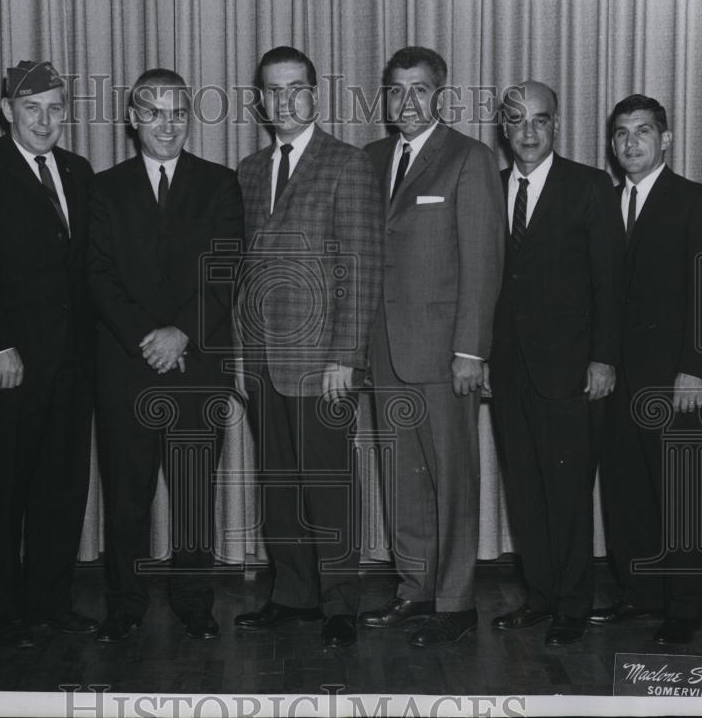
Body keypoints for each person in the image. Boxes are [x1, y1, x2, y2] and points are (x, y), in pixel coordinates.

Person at [0, 61, 97, 647]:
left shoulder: (79, 172)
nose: (45, 120)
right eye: (32, 108)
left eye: (56, 108)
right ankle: (7, 613)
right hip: (7, 366)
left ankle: (51, 603)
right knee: (4, 488)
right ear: (8, 110)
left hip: (70, 366)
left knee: (61, 487)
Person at [232, 46, 383, 647]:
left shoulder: (346, 164)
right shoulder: (247, 171)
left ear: (314, 95)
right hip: (264, 360)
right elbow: (245, 270)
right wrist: (243, 357)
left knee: (328, 484)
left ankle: (339, 601)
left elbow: (363, 267)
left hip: (324, 362)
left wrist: (346, 356)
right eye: (273, 91)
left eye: (296, 89)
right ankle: (292, 595)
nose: (284, 101)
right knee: (278, 483)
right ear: (260, 101)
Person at [87, 69, 244, 642]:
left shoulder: (221, 184)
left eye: (178, 111)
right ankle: (124, 605)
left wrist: (180, 332)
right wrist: (146, 338)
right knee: (126, 496)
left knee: (194, 495)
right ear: (133, 119)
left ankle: (194, 603)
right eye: (154, 112)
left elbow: (226, 269)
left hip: (197, 367)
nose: (167, 124)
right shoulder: (103, 188)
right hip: (127, 371)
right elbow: (98, 277)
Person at [359, 46, 505, 648]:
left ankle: (455, 602)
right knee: (403, 477)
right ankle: (414, 590)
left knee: (451, 476)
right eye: (397, 90)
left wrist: (471, 350)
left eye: (420, 89)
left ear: (440, 95)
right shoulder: (367, 159)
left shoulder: (468, 158)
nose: (408, 101)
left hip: (446, 354)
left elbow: (483, 260)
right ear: (385, 97)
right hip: (384, 350)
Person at [590, 94, 702, 646]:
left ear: (665, 140)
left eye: (642, 131)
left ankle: (684, 608)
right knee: (625, 495)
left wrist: (695, 370)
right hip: (612, 381)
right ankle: (640, 594)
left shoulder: (697, 200)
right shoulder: (601, 202)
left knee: (680, 494)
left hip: (674, 382)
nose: (630, 143)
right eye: (621, 133)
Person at [488, 81, 624, 646]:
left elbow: (610, 284)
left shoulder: (591, 187)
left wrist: (604, 360)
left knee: (567, 493)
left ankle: (572, 602)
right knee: (523, 490)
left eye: (540, 120)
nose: (527, 131)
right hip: (508, 372)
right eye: (517, 120)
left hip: (571, 372)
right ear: (503, 126)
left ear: (556, 126)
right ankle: (540, 598)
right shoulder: (488, 188)